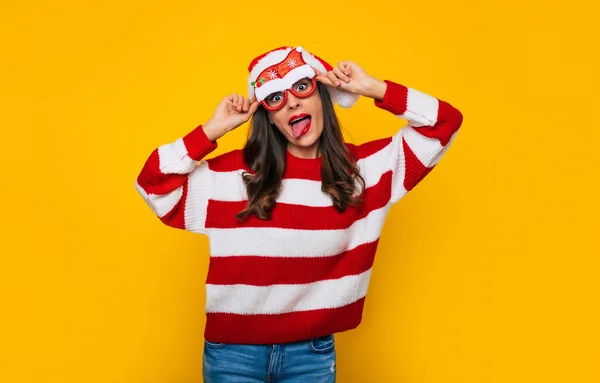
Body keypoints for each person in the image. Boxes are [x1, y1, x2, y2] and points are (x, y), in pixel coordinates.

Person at [135, 45, 463, 382]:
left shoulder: (366, 171)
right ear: (270, 115)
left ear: (324, 94)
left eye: (302, 87)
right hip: (233, 355)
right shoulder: (234, 176)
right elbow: (152, 184)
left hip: (312, 355)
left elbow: (445, 122)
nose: (291, 102)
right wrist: (214, 128)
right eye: (275, 97)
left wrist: (371, 88)